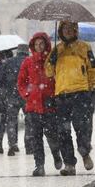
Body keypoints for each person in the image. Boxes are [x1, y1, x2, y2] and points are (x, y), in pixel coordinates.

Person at [45, 21, 95, 176]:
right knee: (63, 131)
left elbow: (93, 69)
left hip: (81, 93)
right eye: (65, 29)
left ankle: (85, 152)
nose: (68, 31)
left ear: (76, 30)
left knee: (82, 127)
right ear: (61, 31)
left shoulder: (84, 47)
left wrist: (94, 89)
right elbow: (48, 72)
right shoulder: (57, 49)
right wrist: (52, 59)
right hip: (61, 95)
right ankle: (69, 163)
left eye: (71, 29)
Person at [18, 32, 63, 176]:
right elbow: (21, 82)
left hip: (50, 103)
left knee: (52, 135)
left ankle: (56, 154)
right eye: (36, 44)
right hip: (33, 106)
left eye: (41, 44)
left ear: (46, 45)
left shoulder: (52, 61)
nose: (39, 47)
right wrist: (27, 94)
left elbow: (59, 79)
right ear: (33, 46)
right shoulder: (28, 62)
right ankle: (39, 165)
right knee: (36, 137)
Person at [0, 44, 31, 156]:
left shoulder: (8, 62)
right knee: (29, 120)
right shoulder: (30, 61)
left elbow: (0, 78)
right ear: (27, 51)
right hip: (26, 95)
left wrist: (4, 92)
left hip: (11, 96)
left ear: (18, 51)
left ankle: (12, 144)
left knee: (11, 120)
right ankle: (29, 145)